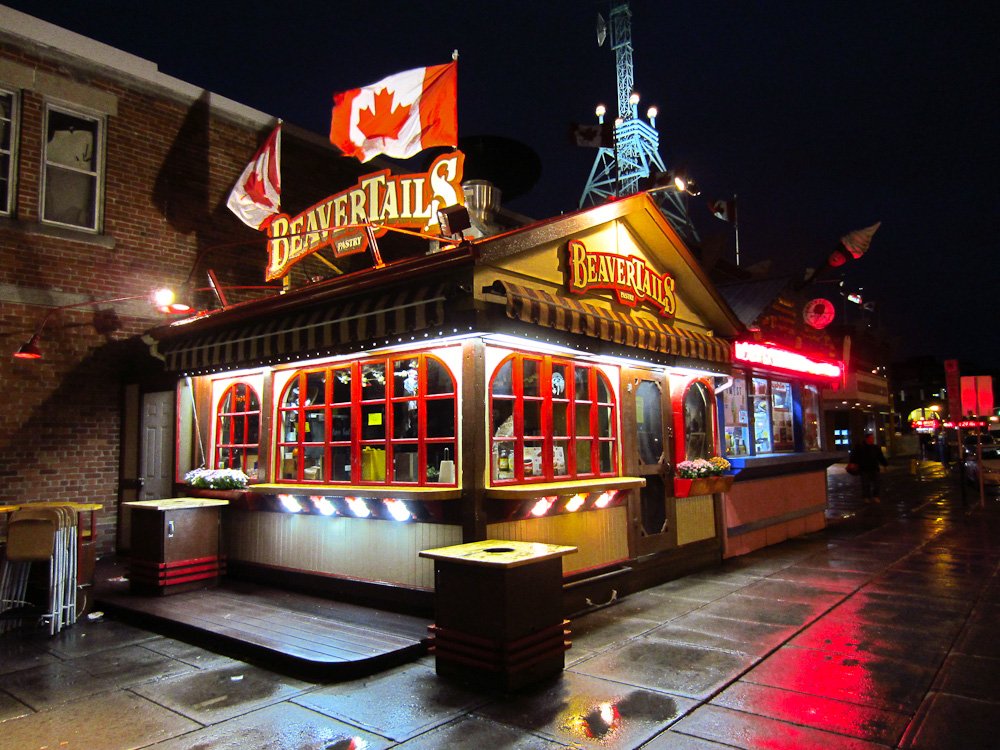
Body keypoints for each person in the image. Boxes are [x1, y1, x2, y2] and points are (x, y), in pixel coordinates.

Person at [849, 433, 888, 503]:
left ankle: (875, 496)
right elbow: (854, 456)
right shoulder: (860, 447)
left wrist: (885, 464)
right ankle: (866, 497)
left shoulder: (875, 447)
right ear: (867, 439)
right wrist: (852, 463)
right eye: (871, 438)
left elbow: (880, 457)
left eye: (873, 438)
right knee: (865, 484)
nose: (872, 439)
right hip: (864, 468)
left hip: (874, 468)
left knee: (877, 483)